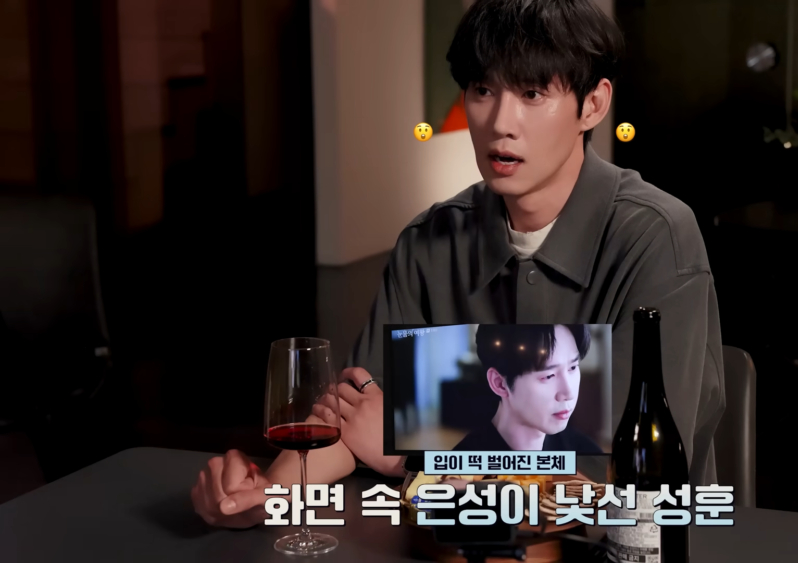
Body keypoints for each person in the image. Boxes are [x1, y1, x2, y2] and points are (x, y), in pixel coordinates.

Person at [192, 0, 725, 529]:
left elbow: (626, 472)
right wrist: (269, 493)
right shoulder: (429, 241)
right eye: (482, 90)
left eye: (532, 93)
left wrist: (418, 458)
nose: (500, 123)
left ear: (593, 104)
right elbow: (356, 420)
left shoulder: (655, 237)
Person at [452, 324, 603, 453]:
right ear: (499, 383)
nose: (568, 393)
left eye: (573, 367)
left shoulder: (586, 452)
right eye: (548, 376)